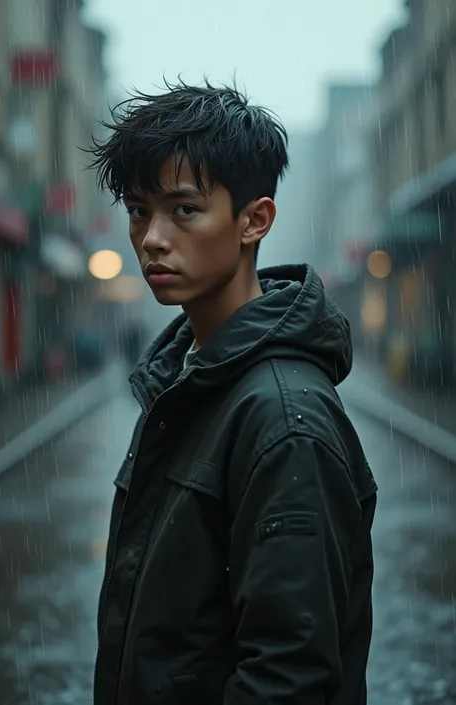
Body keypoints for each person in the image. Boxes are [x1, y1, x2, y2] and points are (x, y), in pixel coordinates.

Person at [89, 79, 377, 705]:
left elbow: (290, 677)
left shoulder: (283, 419)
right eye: (139, 210)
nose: (152, 238)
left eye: (184, 209)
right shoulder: (185, 379)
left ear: (255, 220)